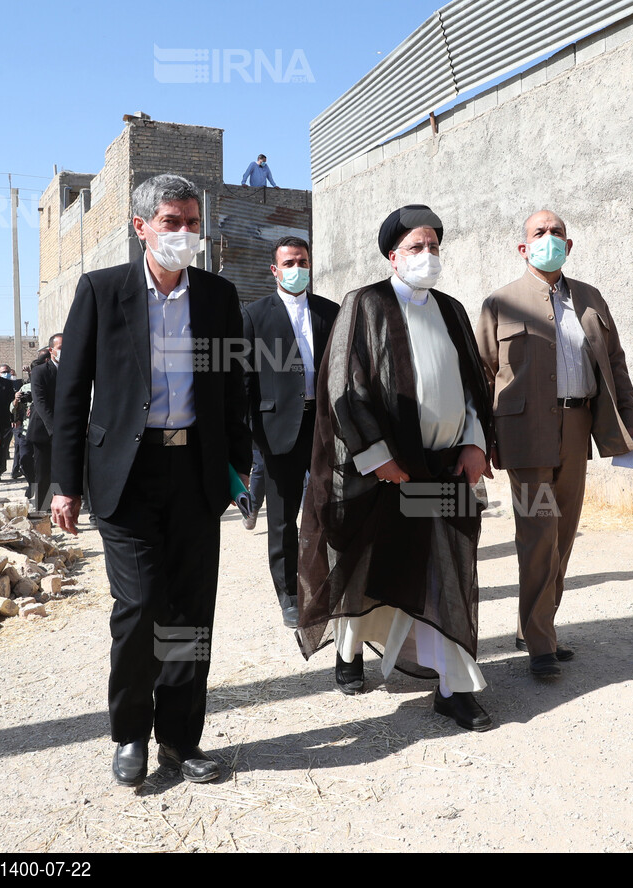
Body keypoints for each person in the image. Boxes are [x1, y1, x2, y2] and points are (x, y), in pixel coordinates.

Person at [51, 174, 250, 787]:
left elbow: (233, 388)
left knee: (190, 613)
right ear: (141, 227)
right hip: (125, 478)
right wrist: (64, 482)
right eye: (173, 222)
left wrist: (236, 468)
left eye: (194, 222)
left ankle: (181, 739)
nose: (186, 234)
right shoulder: (101, 292)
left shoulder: (218, 296)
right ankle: (131, 732)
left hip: (193, 473)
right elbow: (71, 392)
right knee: (138, 607)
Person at [298, 204, 495, 732]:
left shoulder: (452, 310)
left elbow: (475, 386)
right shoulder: (365, 304)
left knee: (448, 568)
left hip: (446, 469)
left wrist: (475, 441)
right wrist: (378, 457)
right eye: (415, 247)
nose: (427, 255)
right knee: (367, 563)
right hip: (387, 471)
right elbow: (342, 386)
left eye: (433, 246)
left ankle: (453, 688)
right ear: (392, 256)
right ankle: (349, 651)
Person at [477, 210, 633, 678]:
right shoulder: (500, 304)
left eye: (557, 233)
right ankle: (540, 644)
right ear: (523, 247)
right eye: (539, 233)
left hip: (577, 428)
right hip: (525, 435)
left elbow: (615, 362)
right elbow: (482, 376)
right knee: (537, 535)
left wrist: (629, 423)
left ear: (569, 247)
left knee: (563, 536)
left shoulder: (590, 299)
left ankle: (537, 625)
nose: (549, 239)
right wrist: (482, 441)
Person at [241, 236, 339, 627]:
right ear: (275, 270)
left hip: (322, 428)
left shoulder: (329, 312)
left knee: (324, 510)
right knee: (281, 519)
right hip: (277, 430)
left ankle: (323, 583)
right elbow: (244, 379)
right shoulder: (254, 315)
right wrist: (252, 436)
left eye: (303, 261)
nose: (297, 268)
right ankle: (289, 594)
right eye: (289, 262)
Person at [28, 336, 60, 512]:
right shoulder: (40, 371)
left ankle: (61, 511)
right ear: (51, 350)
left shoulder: (70, 370)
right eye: (60, 347)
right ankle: (42, 511)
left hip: (64, 431)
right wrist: (54, 430)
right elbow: (40, 403)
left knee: (62, 474)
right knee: (43, 474)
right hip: (43, 431)